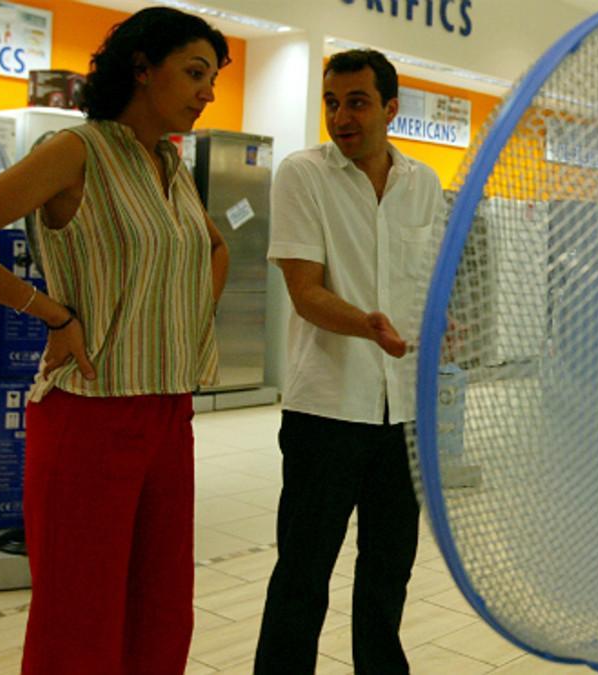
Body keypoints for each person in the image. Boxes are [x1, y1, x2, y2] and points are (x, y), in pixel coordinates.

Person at [0, 8, 230, 673]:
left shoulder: (170, 164)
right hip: (90, 413)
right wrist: (51, 314)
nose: (206, 91)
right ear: (141, 67)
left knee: (161, 611)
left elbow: (216, 248)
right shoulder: (76, 152)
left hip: (168, 413)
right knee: (80, 617)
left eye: (211, 77)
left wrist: (182, 321)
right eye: (194, 72)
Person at [254, 49, 444, 674]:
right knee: (303, 573)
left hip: (404, 416)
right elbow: (305, 293)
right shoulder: (302, 175)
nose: (341, 117)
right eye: (332, 104)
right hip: (326, 409)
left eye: (357, 102)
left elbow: (433, 285)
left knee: (389, 570)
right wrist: (368, 325)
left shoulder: (423, 184)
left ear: (391, 108)